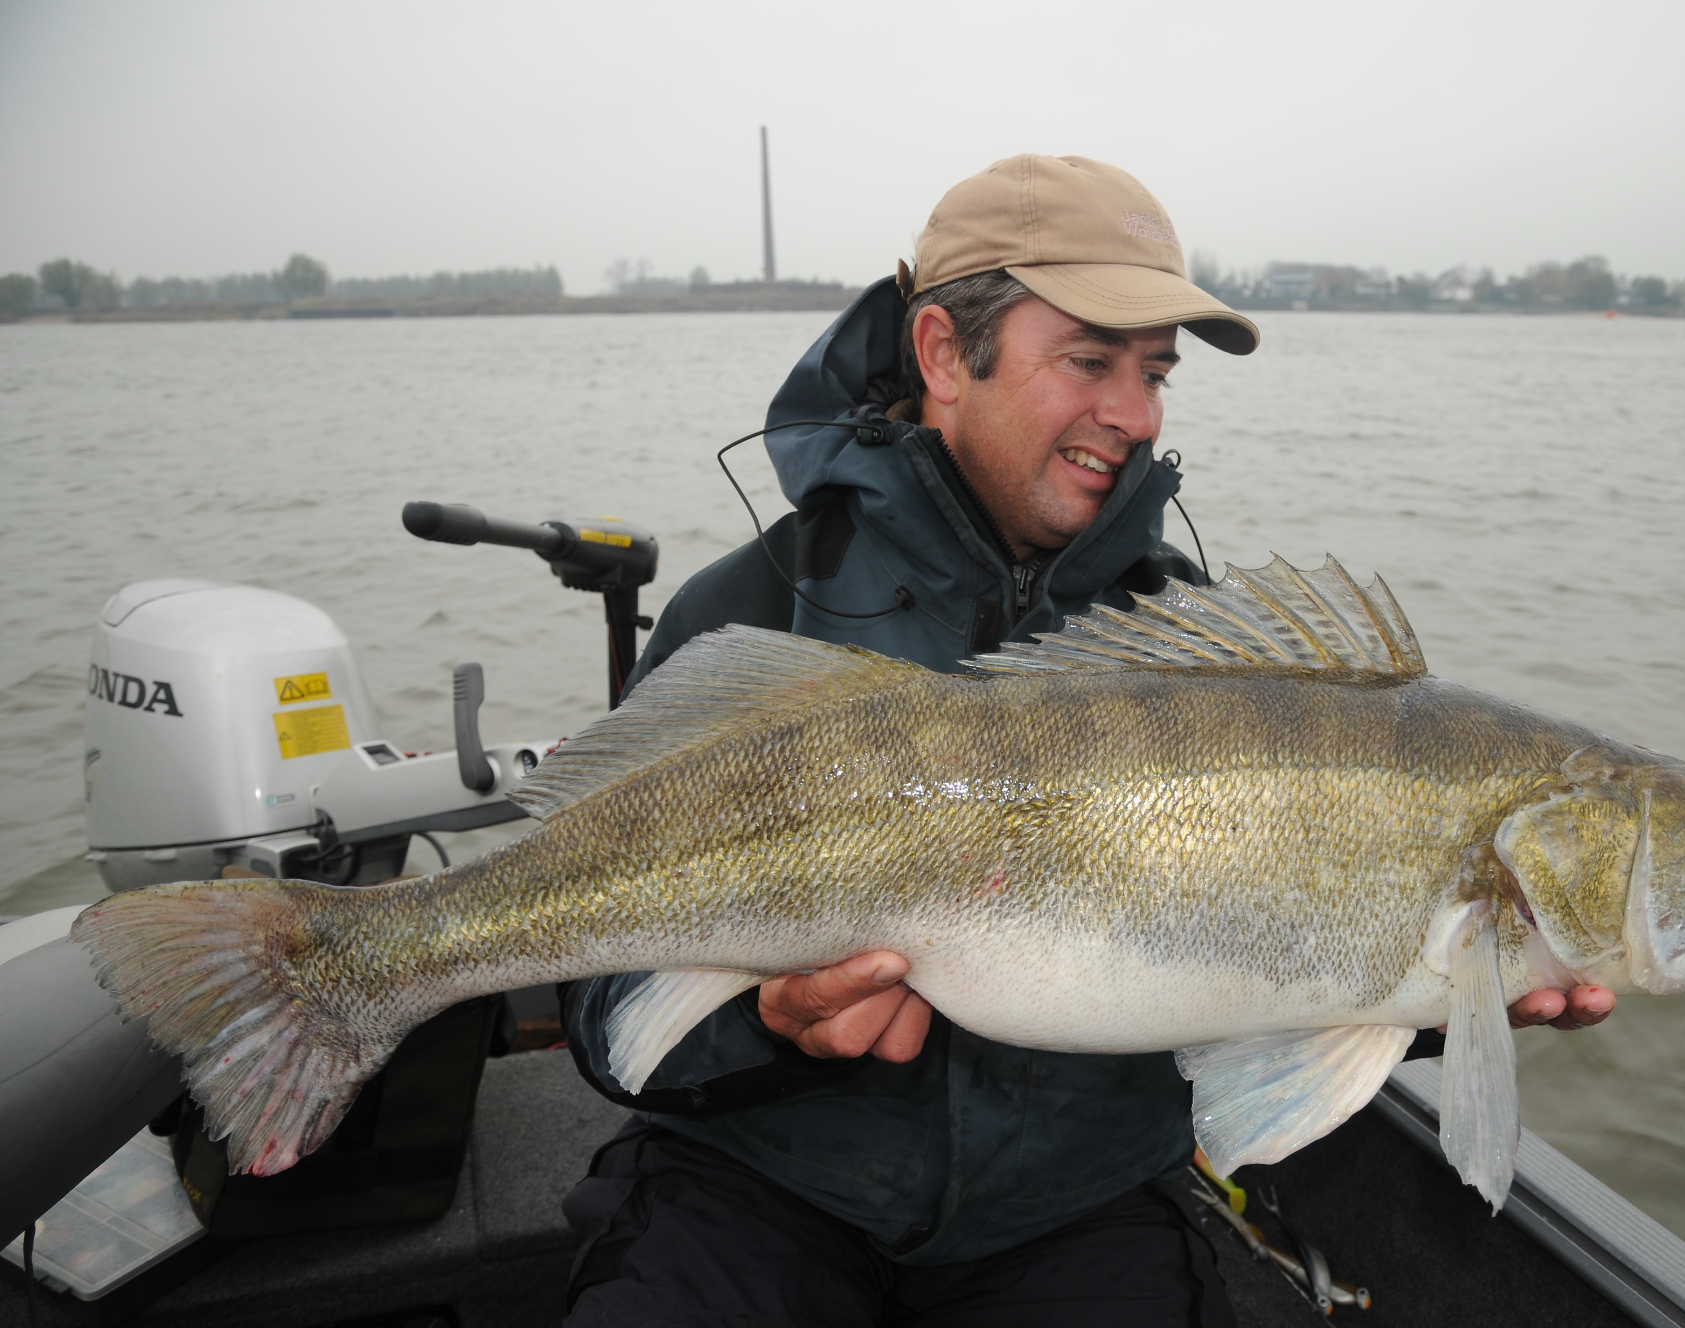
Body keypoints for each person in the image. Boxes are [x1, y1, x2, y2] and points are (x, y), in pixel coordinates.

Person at [558, 154, 1614, 1326]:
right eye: (1089, 361)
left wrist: (1449, 999)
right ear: (945, 356)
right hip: (756, 1185)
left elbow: (1271, 971)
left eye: (1153, 372)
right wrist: (769, 1027)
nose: (1135, 414)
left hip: (1073, 1209)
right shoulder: (750, 614)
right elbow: (599, 1010)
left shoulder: (1211, 655)